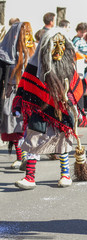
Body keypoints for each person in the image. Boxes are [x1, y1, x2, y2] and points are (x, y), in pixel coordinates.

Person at [13, 28, 87, 190]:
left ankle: (65, 174)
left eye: (62, 44)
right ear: (46, 47)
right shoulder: (35, 65)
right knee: (34, 139)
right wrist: (18, 105)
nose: (58, 50)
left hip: (63, 108)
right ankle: (30, 177)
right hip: (39, 108)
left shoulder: (68, 65)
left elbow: (77, 85)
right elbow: (25, 85)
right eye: (54, 45)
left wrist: (73, 103)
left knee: (63, 141)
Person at [0, 22, 36, 169]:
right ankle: (20, 156)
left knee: (25, 125)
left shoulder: (33, 51)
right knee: (14, 124)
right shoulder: (7, 53)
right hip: (13, 92)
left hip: (30, 93)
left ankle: (28, 156)